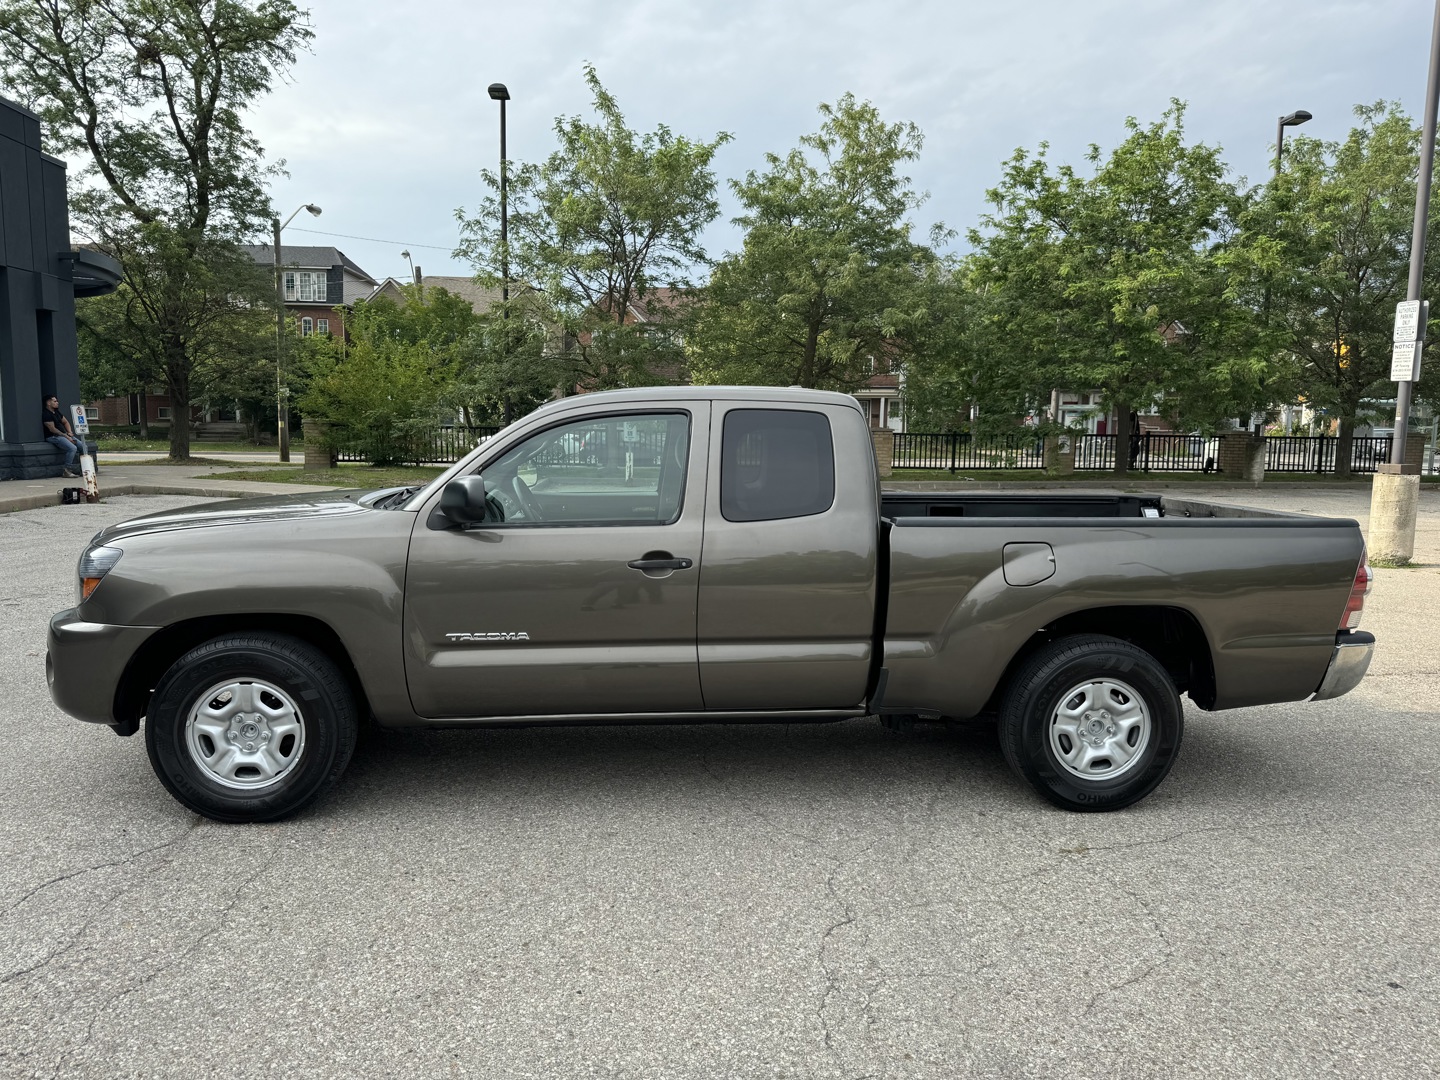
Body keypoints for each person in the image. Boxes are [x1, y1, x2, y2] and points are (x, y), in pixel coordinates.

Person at [42, 394, 81, 477]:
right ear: (49, 403)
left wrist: (69, 432)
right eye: (55, 401)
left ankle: (84, 469)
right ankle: (67, 471)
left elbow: (66, 422)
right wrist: (67, 437)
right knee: (72, 448)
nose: (57, 403)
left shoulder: (57, 412)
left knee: (83, 446)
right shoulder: (46, 414)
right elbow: (52, 429)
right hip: (54, 437)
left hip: (65, 435)